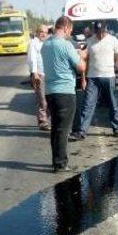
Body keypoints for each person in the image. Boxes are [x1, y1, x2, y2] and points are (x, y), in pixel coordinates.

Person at [41, 16, 86, 172]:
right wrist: (81, 56)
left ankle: (56, 159)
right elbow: (80, 67)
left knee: (55, 128)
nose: (69, 34)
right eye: (70, 31)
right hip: (65, 92)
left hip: (50, 92)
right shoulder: (66, 46)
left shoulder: (45, 45)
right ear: (66, 28)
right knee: (63, 130)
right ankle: (60, 163)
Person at [70, 21, 118, 140]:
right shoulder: (90, 41)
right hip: (93, 78)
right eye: (98, 32)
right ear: (95, 31)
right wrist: (83, 78)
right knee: (88, 104)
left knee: (112, 103)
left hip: (109, 77)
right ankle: (81, 131)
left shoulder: (113, 40)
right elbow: (85, 59)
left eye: (102, 32)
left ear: (106, 30)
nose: (100, 35)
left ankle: (117, 128)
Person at [28, 25, 50, 130]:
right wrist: (35, 73)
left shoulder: (47, 42)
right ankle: (43, 122)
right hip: (39, 75)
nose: (44, 34)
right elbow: (32, 59)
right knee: (42, 100)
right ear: (37, 32)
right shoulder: (33, 43)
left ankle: (46, 119)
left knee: (49, 99)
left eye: (46, 32)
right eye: (41, 32)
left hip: (48, 74)